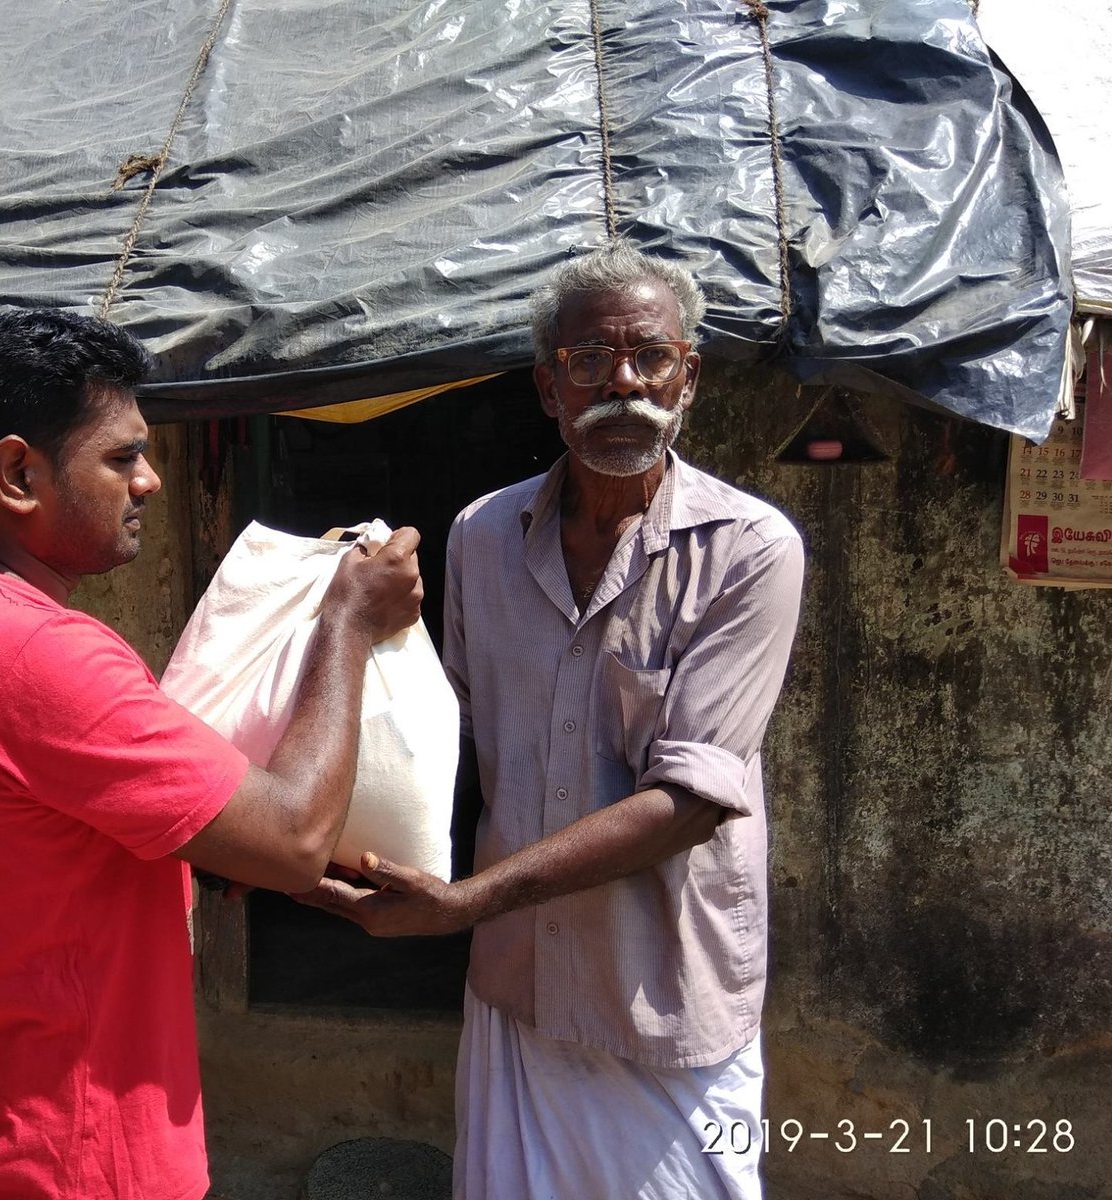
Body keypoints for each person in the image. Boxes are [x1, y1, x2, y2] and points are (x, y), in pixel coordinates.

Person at [0, 308, 422, 1200]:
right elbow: (291, 836)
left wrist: (201, 857)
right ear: (19, 473)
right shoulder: (41, 656)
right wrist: (349, 623)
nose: (151, 481)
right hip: (77, 1164)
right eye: (121, 457)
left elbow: (44, 852)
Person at [299, 242, 804, 1200]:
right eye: (589, 362)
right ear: (547, 387)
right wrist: (287, 840)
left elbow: (692, 801)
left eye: (651, 358)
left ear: (688, 376)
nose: (624, 383)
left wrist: (467, 904)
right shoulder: (484, 536)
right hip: (520, 990)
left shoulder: (750, 550)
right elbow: (438, 738)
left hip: (662, 1000)